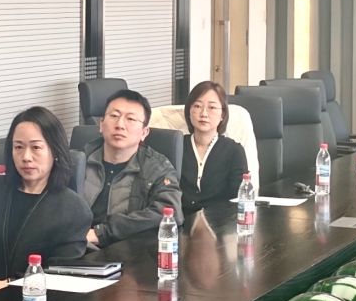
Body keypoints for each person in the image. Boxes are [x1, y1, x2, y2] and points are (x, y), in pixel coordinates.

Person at [0, 106, 92, 294]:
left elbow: (60, 277)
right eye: (18, 147)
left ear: (55, 151)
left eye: (36, 147)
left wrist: (7, 285)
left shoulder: (73, 210)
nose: (26, 157)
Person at [81, 88, 181, 248]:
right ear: (101, 124)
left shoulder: (157, 168)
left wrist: (102, 233)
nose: (120, 125)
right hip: (75, 247)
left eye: (131, 119)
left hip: (128, 251)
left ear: (144, 132)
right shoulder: (80, 160)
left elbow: (170, 213)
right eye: (114, 116)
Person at [179, 80, 249, 213]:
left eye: (212, 107)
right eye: (197, 106)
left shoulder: (234, 151)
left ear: (222, 114)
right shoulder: (176, 146)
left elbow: (239, 197)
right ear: (189, 111)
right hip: (180, 221)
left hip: (220, 221)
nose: (204, 114)